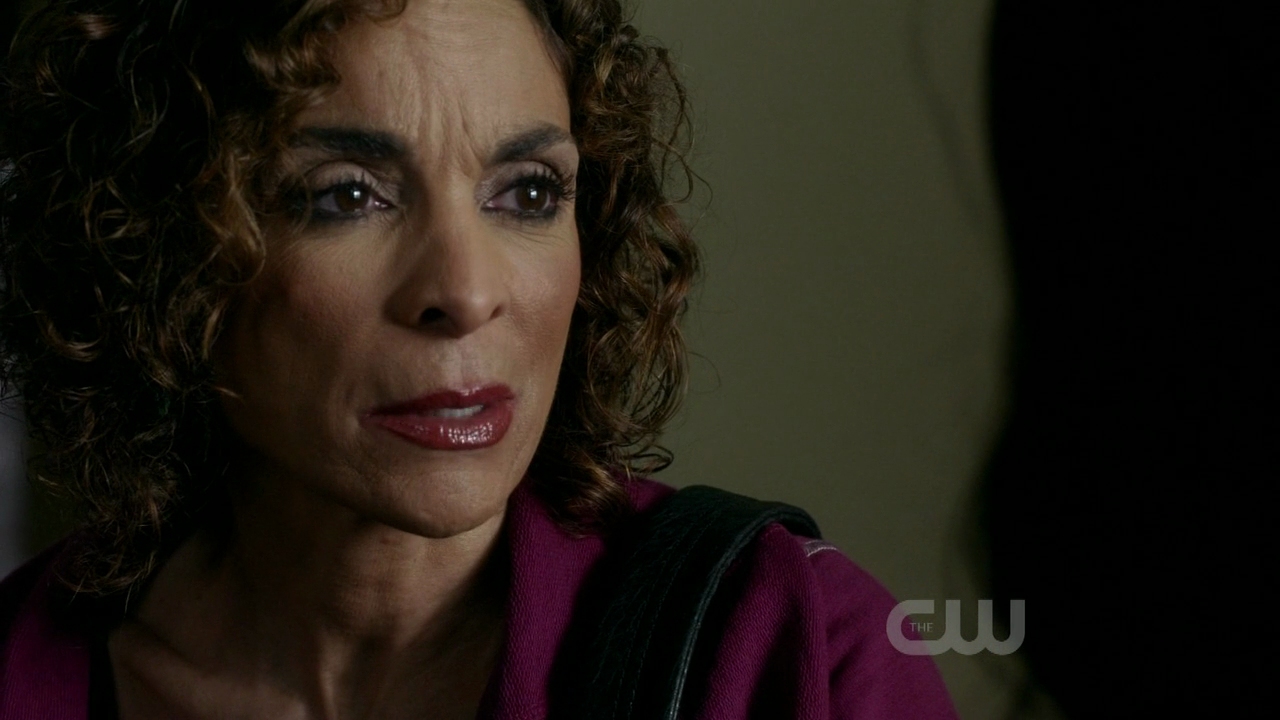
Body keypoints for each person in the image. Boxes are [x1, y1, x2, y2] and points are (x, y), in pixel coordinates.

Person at [0, 0, 958, 717]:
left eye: (528, 193)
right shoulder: (25, 667)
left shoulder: (800, 649)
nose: (464, 291)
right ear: (159, 245)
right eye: (346, 196)